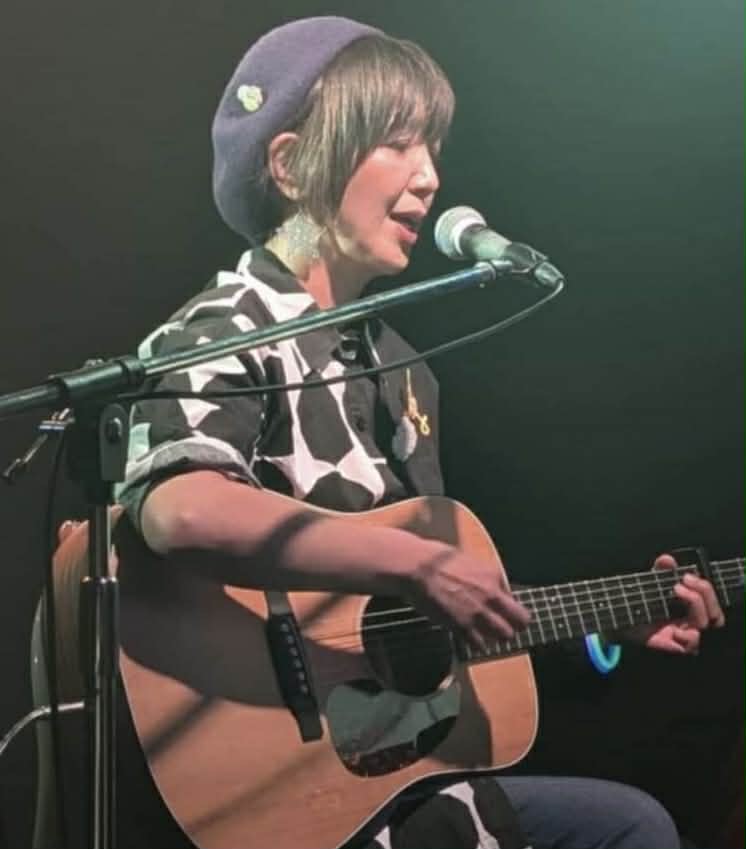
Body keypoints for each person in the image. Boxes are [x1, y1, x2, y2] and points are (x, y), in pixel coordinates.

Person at [117, 16, 725, 849]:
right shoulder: (227, 326)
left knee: (633, 826)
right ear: (291, 164)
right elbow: (181, 508)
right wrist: (416, 562)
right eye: (398, 143)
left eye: (433, 148)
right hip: (291, 793)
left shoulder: (402, 369)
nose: (431, 176)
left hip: (399, 772)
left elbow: (412, 628)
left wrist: (603, 623)